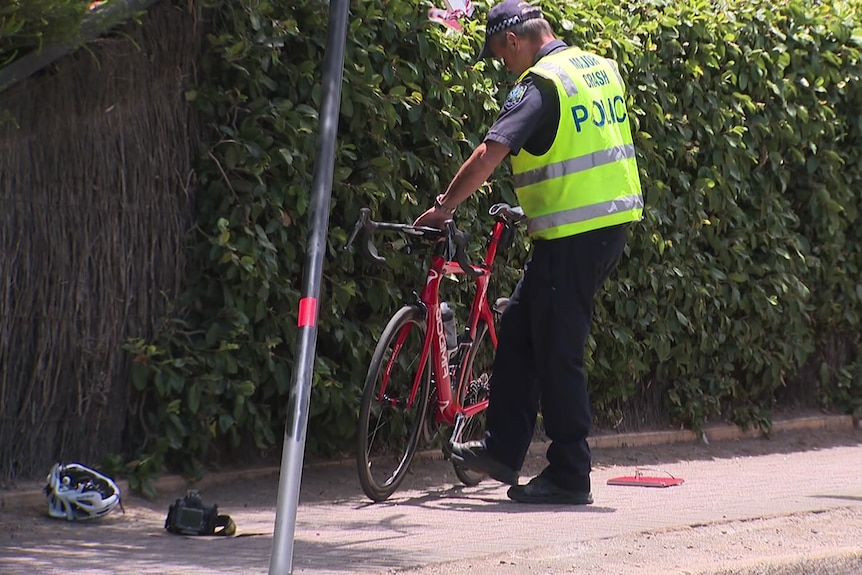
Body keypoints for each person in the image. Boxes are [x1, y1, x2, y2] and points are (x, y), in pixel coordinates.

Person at [413, 0, 644, 504]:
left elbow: (489, 153)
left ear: (513, 41)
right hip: (604, 224)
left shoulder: (541, 84)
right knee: (519, 327)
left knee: (558, 348)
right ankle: (501, 450)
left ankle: (569, 475)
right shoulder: (597, 67)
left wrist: (443, 207)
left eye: (501, 56)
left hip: (574, 232)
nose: (503, 66)